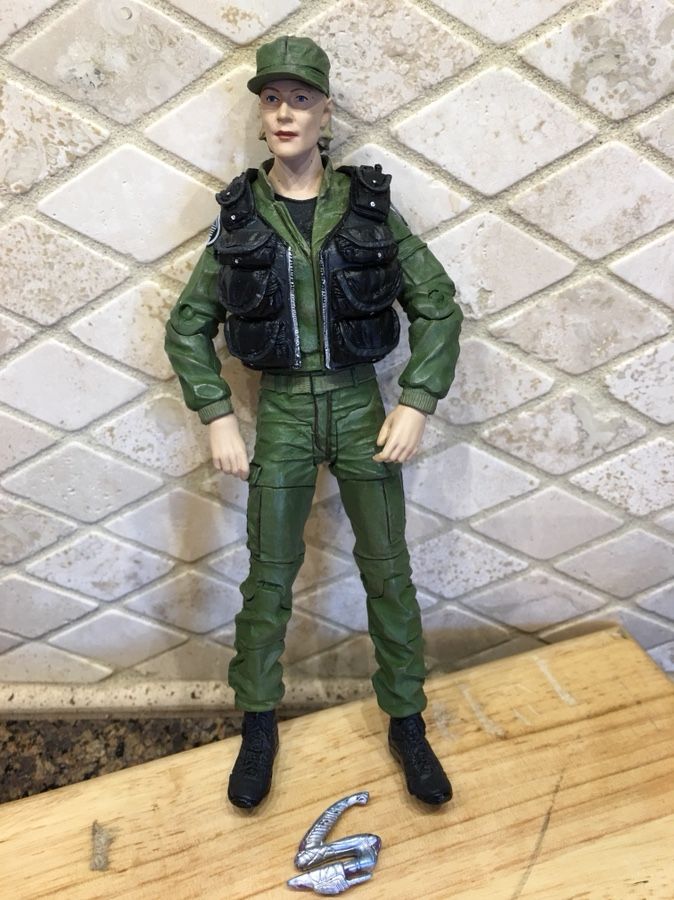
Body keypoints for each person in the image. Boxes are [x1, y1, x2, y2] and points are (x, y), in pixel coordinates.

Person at [164, 35, 463, 810]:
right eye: (272, 99)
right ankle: (258, 722)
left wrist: (417, 399)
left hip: (363, 408)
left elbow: (437, 305)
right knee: (268, 577)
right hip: (285, 412)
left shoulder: (368, 208)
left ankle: (407, 718)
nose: (285, 113)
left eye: (301, 99)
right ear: (261, 114)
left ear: (326, 112)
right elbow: (188, 325)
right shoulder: (239, 215)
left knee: (387, 571)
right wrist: (216, 414)